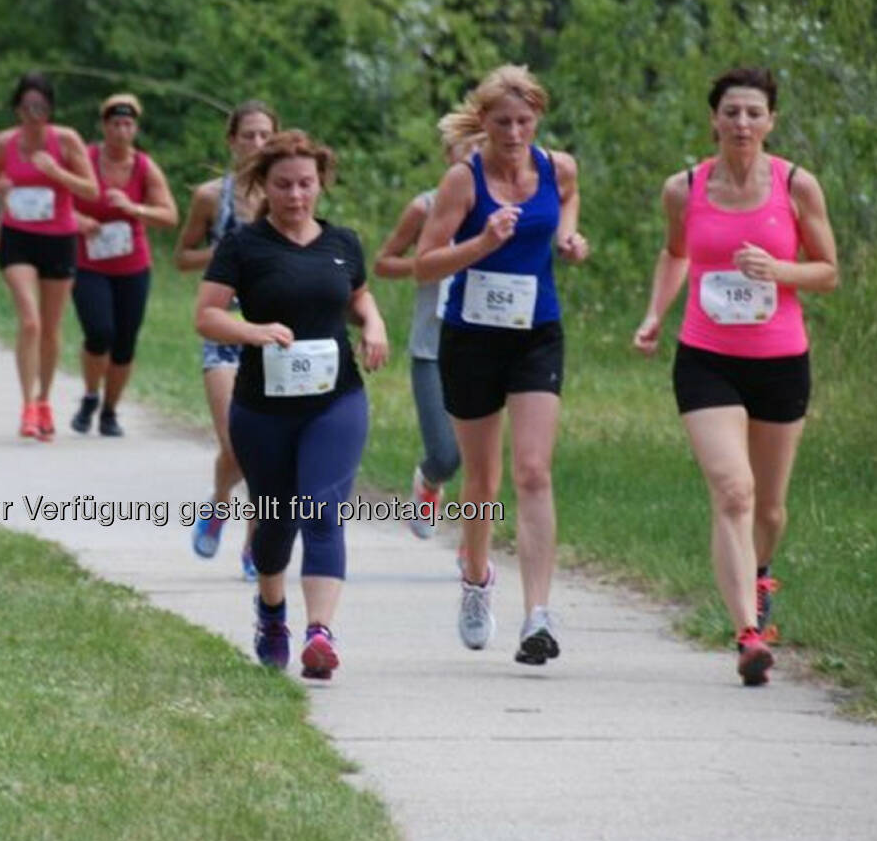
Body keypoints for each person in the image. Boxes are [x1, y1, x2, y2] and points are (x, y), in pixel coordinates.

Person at [633, 67, 838, 686]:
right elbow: (676, 253)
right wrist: (653, 315)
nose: (742, 124)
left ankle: (759, 571)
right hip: (707, 358)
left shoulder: (797, 187)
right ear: (714, 120)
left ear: (771, 121)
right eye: (731, 113)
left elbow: (827, 271)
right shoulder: (685, 188)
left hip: (780, 361)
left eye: (754, 113)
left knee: (769, 509)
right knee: (733, 491)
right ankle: (748, 634)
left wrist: (778, 268)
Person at [195, 129, 389, 681]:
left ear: (320, 183)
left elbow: (358, 295)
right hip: (263, 409)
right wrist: (252, 331)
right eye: (284, 185)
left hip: (336, 400)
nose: (296, 195)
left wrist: (373, 323)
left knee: (322, 510)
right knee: (276, 523)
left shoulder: (342, 243)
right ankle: (272, 611)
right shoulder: (243, 246)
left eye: (306, 184)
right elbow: (206, 315)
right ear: (264, 184)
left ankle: (320, 633)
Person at [415, 64, 590, 667]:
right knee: (482, 482)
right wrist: (482, 244)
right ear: (483, 122)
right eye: (502, 122)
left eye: (524, 121)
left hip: (537, 333)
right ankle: (475, 577)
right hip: (471, 338)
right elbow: (425, 264)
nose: (514, 133)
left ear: (537, 118)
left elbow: (569, 197)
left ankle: (538, 614)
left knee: (534, 471)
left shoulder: (555, 167)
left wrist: (568, 236)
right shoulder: (462, 182)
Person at [173, 99, 278, 579]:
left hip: (271, 333)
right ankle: (218, 504)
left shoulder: (287, 194)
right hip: (222, 327)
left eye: (265, 136)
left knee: (266, 447)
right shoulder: (212, 197)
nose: (257, 144)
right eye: (249, 135)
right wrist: (223, 253)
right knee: (236, 444)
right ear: (232, 141)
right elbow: (182, 256)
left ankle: (256, 547)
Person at [372, 137, 477, 540]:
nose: (472, 158)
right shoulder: (427, 206)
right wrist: (429, 264)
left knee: (481, 461)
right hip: (432, 346)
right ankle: (429, 483)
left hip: (485, 345)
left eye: (480, 149)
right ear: (448, 155)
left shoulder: (503, 204)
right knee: (446, 455)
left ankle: (473, 549)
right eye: (464, 150)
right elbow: (382, 263)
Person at [0, 72, 99, 441]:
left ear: (50, 109)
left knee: (50, 327)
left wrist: (57, 172)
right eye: (27, 106)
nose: (34, 114)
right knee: (30, 321)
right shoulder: (5, 142)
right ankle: (26, 407)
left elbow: (91, 189)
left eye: (41, 107)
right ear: (17, 108)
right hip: (18, 237)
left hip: (59, 238)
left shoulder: (65, 141)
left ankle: (44, 400)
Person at [68, 93, 179, 437]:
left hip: (132, 265)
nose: (121, 130)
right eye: (115, 123)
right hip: (89, 263)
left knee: (125, 342)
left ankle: (110, 411)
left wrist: (136, 209)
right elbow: (59, 205)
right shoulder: (84, 159)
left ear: (136, 128)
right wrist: (80, 221)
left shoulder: (144, 167)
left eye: (128, 124)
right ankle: (90, 394)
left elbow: (170, 215)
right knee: (99, 333)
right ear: (103, 126)